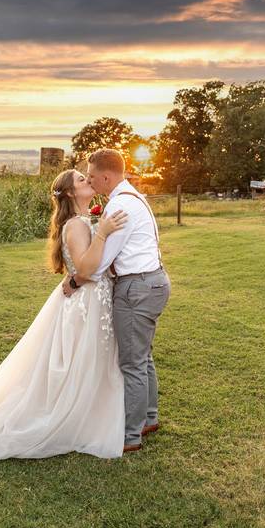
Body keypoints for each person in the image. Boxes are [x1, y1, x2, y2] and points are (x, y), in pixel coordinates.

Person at [0, 169, 128, 460]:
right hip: (86, 302)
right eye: (80, 179)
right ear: (69, 193)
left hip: (92, 299)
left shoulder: (82, 220)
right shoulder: (77, 225)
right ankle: (72, 417)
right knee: (83, 359)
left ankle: (90, 411)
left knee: (89, 360)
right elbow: (86, 269)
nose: (87, 181)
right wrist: (101, 233)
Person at [64, 148, 171, 453]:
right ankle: (149, 418)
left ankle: (130, 434)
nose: (91, 180)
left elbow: (98, 265)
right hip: (154, 281)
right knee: (144, 356)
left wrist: (75, 279)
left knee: (132, 362)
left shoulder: (120, 207)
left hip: (136, 289)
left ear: (107, 176)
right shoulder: (135, 198)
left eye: (93, 175)